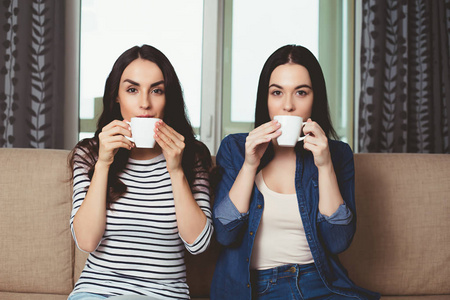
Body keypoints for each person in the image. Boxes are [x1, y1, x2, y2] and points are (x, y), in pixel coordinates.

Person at [210, 45, 380, 299]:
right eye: (277, 92)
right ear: (265, 99)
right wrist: (249, 165)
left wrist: (325, 166)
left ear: (315, 99)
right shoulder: (236, 148)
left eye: (301, 92)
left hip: (319, 283)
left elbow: (338, 241)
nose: (288, 106)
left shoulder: (337, 154)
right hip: (258, 287)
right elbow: (225, 234)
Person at [68, 45, 213, 300]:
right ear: (116, 96)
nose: (145, 103)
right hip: (97, 292)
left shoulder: (192, 155)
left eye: (157, 90)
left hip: (165, 295)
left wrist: (176, 170)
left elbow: (198, 244)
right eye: (132, 90)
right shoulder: (89, 154)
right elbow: (86, 242)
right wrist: (103, 164)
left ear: (169, 98)